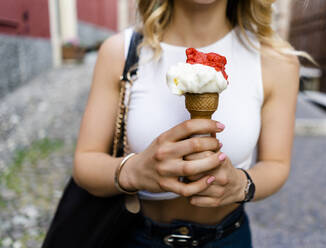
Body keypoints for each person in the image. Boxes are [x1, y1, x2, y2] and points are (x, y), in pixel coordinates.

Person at [72, 0, 299, 247]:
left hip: (228, 240)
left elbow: (276, 164)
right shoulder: (120, 51)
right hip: (136, 237)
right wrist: (132, 171)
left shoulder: (276, 61)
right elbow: (85, 163)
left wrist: (241, 185)